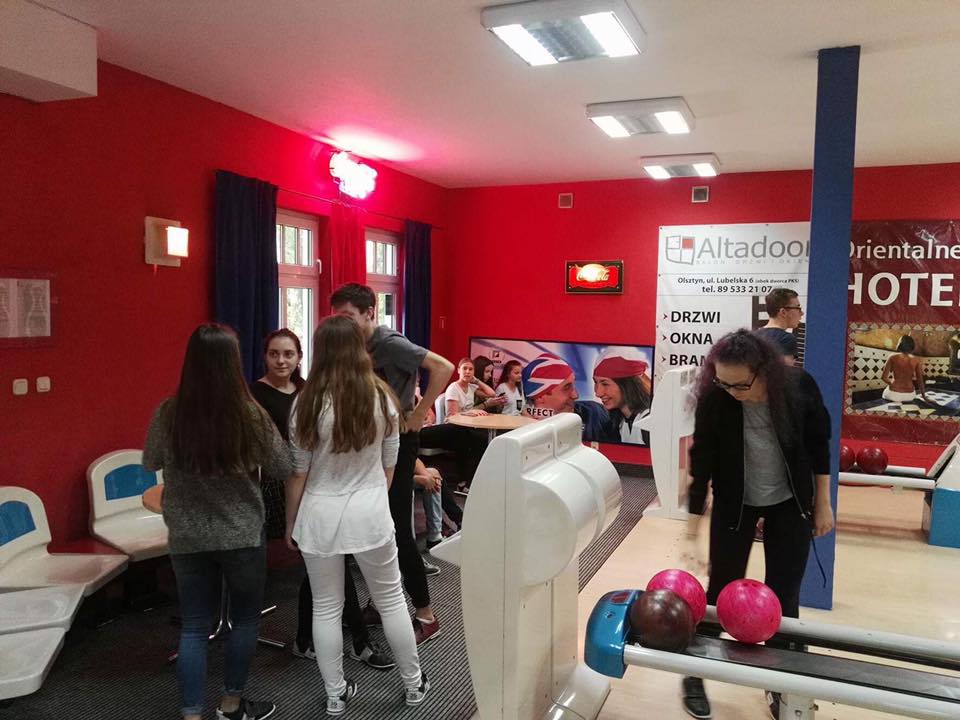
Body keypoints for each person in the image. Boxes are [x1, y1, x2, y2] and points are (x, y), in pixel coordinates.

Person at [681, 330, 834, 720]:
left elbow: (819, 447)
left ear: (764, 371)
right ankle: (695, 673)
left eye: (741, 385)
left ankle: (782, 685)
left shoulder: (797, 388)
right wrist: (691, 530)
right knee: (719, 592)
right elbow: (703, 462)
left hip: (790, 502)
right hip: (736, 503)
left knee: (785, 597)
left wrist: (823, 504)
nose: (732, 392)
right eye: (723, 383)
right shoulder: (717, 398)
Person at [143, 323, 292, 720]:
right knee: (244, 622)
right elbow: (283, 466)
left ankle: (191, 714)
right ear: (232, 363)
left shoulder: (168, 412)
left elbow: (151, 461)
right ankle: (230, 705)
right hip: (241, 534)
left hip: (187, 535)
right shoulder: (250, 415)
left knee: (194, 626)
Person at [285, 316, 429, 715]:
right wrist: (370, 497)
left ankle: (336, 694)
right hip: (370, 512)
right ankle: (414, 684)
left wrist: (291, 523)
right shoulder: (382, 398)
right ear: (360, 350)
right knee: (391, 600)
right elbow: (389, 466)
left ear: (319, 352)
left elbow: (298, 473)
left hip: (318, 513)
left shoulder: (305, 402)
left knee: (326, 607)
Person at [250, 329, 393, 670]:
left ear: (301, 357)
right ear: (265, 356)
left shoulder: (309, 391)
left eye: (288, 354)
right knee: (331, 569)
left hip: (323, 488)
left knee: (325, 570)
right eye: (274, 353)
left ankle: (313, 639)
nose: (281, 360)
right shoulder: (255, 395)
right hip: (284, 488)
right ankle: (357, 640)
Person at [331, 283, 453, 644]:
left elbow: (442, 367)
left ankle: (426, 616)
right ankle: (383, 603)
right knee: (378, 526)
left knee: (397, 530)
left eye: (349, 316)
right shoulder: (356, 344)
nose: (344, 324)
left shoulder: (388, 342)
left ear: (369, 312)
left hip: (398, 441)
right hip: (374, 443)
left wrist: (418, 413)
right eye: (338, 318)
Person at [522, 352, 614, 442]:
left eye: (573, 385)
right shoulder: (522, 433)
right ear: (539, 397)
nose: (576, 395)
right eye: (566, 388)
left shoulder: (594, 413)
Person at [591, 347, 652, 445]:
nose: (598, 393)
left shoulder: (648, 422)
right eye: (595, 382)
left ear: (627, 385)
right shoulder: (621, 423)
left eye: (605, 384)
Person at [755, 287, 803, 365]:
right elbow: (786, 371)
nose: (802, 313)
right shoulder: (787, 339)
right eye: (798, 308)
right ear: (783, 312)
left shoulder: (753, 337)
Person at [881, 335, 927, 403]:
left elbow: (884, 378)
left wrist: (892, 384)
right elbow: (920, 381)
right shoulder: (917, 360)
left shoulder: (892, 357)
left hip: (893, 394)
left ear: (900, 344)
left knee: (887, 392)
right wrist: (924, 396)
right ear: (912, 346)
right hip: (909, 395)